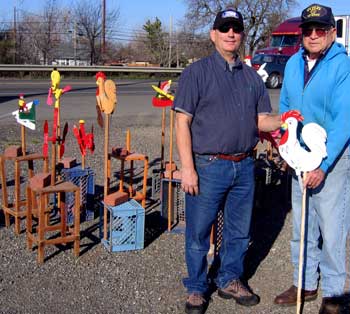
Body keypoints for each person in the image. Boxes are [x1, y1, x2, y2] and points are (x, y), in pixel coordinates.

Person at [173, 8, 281, 314]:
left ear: (242, 35)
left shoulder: (252, 78)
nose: (230, 33)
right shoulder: (196, 73)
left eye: (236, 28)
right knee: (198, 232)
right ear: (213, 34)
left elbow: (262, 120)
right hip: (207, 166)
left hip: (245, 165)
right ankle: (196, 287)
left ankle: (229, 278)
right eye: (224, 28)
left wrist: (287, 120)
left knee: (239, 231)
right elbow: (182, 122)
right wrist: (188, 168)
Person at [274, 4, 350, 314]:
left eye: (321, 29)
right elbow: (285, 107)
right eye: (308, 30)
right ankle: (303, 282)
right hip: (299, 159)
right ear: (302, 34)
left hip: (330, 159)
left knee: (332, 229)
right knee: (302, 225)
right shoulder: (292, 64)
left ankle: (333, 293)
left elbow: (344, 119)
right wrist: (286, 147)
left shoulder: (342, 65)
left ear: (332, 32)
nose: (314, 35)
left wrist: (323, 163)